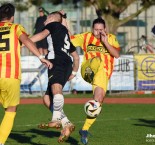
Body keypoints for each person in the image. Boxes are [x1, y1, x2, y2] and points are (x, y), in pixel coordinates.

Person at [0, 3, 52, 145]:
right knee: (10, 111)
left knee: (6, 108)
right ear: (12, 17)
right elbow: (26, 41)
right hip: (10, 75)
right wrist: (41, 57)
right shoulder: (16, 28)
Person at [30, 11, 79, 143]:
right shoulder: (64, 34)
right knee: (47, 99)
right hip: (66, 63)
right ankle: (66, 124)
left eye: (47, 18)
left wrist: (24, 42)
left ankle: (56, 119)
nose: (45, 21)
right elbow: (76, 56)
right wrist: (73, 72)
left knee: (56, 89)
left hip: (57, 62)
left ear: (52, 19)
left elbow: (40, 35)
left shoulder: (53, 25)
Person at [70, 18, 120, 144]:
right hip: (88, 69)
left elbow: (117, 54)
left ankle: (84, 129)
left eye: (100, 30)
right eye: (96, 30)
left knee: (99, 100)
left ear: (105, 29)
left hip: (102, 74)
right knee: (98, 60)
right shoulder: (86, 37)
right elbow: (68, 39)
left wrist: (106, 42)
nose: (98, 32)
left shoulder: (111, 38)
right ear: (92, 29)